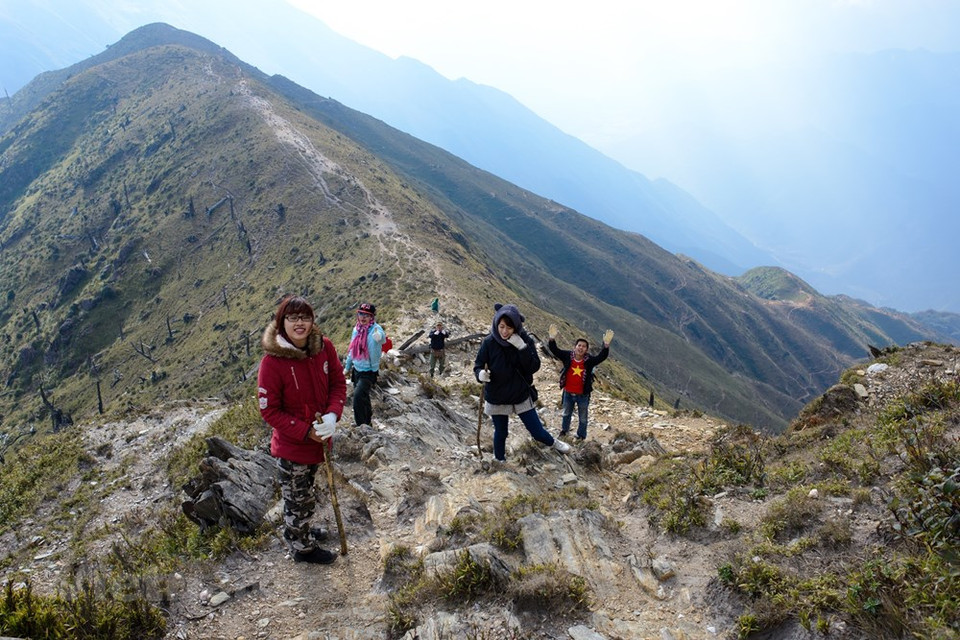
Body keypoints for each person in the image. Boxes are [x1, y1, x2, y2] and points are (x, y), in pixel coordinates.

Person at [257, 295, 346, 565]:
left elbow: (338, 384)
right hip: (293, 446)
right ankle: (301, 547)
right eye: (292, 318)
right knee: (297, 498)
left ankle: (301, 529)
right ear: (281, 322)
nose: (300, 323)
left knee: (306, 493)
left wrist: (333, 413)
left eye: (305, 317)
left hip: (320, 442)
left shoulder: (324, 347)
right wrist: (305, 430)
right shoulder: (272, 363)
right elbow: (269, 409)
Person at [474, 303, 571, 462]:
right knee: (501, 432)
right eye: (502, 326)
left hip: (520, 392)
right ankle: (500, 460)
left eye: (509, 328)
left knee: (537, 431)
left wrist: (522, 348)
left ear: (516, 327)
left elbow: (534, 366)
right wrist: (480, 374)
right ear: (497, 323)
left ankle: (554, 443)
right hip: (498, 394)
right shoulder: (489, 342)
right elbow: (478, 365)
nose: (504, 332)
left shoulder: (525, 339)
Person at [547, 324, 614, 441]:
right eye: (579, 345)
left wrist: (606, 346)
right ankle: (564, 431)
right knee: (566, 414)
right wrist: (552, 339)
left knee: (583, 418)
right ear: (575, 347)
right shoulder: (568, 356)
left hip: (583, 395)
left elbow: (601, 357)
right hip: (568, 393)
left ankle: (581, 436)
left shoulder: (589, 361)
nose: (581, 348)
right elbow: (555, 350)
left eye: (584, 346)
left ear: (586, 350)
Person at [343, 302, 385, 427]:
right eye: (361, 314)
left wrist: (379, 338)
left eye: (367, 315)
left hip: (369, 371)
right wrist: (347, 367)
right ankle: (367, 422)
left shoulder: (375, 329)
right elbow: (352, 350)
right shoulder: (356, 330)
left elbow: (382, 338)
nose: (363, 317)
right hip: (357, 369)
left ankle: (361, 425)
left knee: (357, 396)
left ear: (372, 317)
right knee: (364, 397)